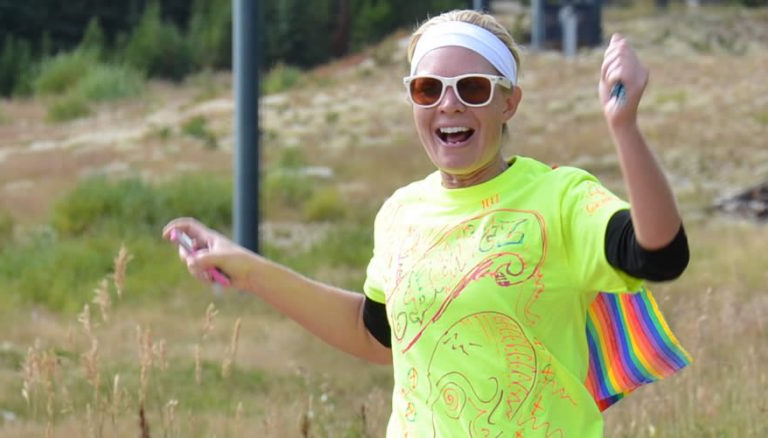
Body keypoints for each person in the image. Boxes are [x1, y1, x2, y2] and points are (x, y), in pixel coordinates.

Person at [163, 9, 689, 437]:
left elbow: (659, 253)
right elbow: (374, 337)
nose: (449, 103)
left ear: (510, 102)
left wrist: (625, 129)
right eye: (427, 89)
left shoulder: (559, 197)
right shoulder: (400, 212)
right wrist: (249, 271)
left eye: (474, 88)